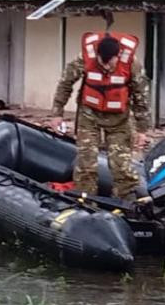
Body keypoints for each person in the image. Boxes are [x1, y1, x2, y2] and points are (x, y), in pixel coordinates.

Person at [51, 32, 151, 198]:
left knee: (121, 167)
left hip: (119, 121)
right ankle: (86, 201)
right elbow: (65, 83)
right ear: (97, 55)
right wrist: (57, 113)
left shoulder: (132, 64)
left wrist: (142, 130)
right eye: (102, 63)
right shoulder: (84, 58)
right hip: (89, 116)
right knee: (86, 164)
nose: (106, 68)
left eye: (110, 64)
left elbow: (141, 97)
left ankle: (125, 204)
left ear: (117, 56)